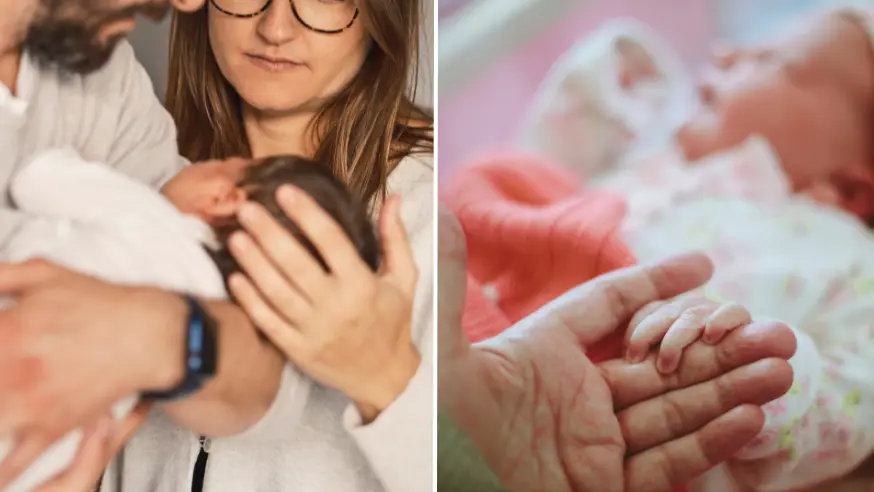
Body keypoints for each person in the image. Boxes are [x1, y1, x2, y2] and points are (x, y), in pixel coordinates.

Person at [0, 0, 417, 490]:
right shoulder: (167, 167)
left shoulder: (107, 89)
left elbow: (276, 393)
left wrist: (166, 334)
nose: (276, 27)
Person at [526, 7, 874, 491]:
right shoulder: (653, 164)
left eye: (774, 61)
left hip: (616, 439)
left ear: (853, 185)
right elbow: (532, 184)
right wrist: (607, 77)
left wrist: (758, 372)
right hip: (511, 344)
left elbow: (856, 404)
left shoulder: (848, 256)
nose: (726, 53)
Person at [0, 148, 379, 491]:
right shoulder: (216, 304)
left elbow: (38, 176)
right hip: (44, 462)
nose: (198, 163)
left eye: (217, 162)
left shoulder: (147, 214)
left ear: (223, 198)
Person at [436, 206, 797, 491]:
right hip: (513, 368)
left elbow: (821, 414)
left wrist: (727, 345)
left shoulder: (824, 247)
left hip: (614, 405)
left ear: (851, 187)